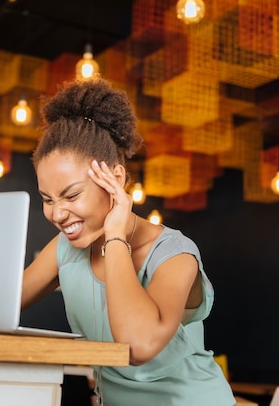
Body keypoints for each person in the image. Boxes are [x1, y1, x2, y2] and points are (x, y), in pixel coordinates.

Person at [21, 77, 235, 406]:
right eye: (47, 199)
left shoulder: (176, 255)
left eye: (72, 195)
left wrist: (116, 235)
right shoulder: (65, 250)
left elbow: (137, 347)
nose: (58, 213)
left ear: (116, 180)